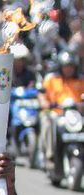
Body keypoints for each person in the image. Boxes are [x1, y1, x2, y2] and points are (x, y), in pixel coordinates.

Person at [38, 49, 84, 180]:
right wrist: (45, 103)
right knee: (47, 122)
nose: (68, 69)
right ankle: (49, 156)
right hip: (56, 114)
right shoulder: (52, 79)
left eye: (70, 66)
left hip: (75, 116)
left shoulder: (81, 80)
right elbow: (42, 94)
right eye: (65, 66)